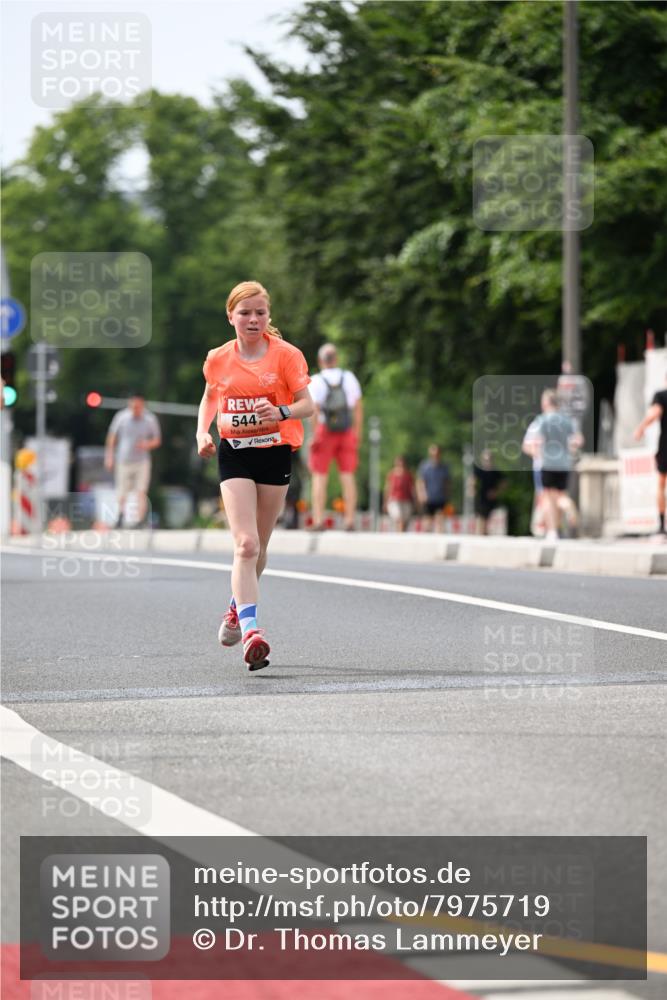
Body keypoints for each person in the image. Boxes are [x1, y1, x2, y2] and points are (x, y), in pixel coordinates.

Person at [196, 280, 313, 670]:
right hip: (235, 456)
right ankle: (251, 632)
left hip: (275, 452)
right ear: (231, 316)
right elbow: (212, 394)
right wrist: (202, 431)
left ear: (268, 316)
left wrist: (280, 413)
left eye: (260, 313)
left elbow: (307, 405)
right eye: (245, 313)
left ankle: (235, 607)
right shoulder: (218, 358)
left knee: (259, 548)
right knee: (245, 545)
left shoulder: (286, 356)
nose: (253, 319)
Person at [308, 343, 363, 531]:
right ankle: (349, 520)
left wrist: (315, 433)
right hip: (346, 431)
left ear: (320, 361)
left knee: (319, 476)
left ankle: (318, 520)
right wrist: (357, 432)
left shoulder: (316, 380)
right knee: (347, 476)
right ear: (337, 359)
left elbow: (313, 409)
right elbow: (357, 407)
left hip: (325, 431)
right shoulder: (349, 378)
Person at [522, 389, 583, 541]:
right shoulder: (567, 421)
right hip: (564, 463)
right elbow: (578, 440)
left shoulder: (541, 421)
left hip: (547, 463)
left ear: (545, 403)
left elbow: (530, 444)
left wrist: (537, 453)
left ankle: (552, 531)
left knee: (548, 497)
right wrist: (569, 450)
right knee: (560, 496)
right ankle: (568, 505)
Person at [104, 393, 161, 528]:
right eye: (133, 406)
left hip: (142, 461)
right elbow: (112, 437)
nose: (136, 409)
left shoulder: (150, 419)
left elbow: (157, 440)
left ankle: (140, 520)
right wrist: (109, 456)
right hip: (124, 460)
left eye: (138, 407)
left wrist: (147, 444)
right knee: (122, 490)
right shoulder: (121, 417)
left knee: (141, 491)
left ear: (143, 406)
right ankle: (120, 515)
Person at [634, 372, 667, 534]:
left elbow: (654, 413)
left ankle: (662, 524)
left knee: (661, 483)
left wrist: (641, 428)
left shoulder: (661, 396)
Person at [416, 444, 450, 532]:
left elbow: (446, 482)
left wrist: (447, 494)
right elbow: (420, 481)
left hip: (440, 497)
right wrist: (421, 494)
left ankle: (439, 538)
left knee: (440, 519)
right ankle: (426, 539)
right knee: (427, 520)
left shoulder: (444, 467)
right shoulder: (425, 466)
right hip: (428, 497)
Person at [472, 449, 505, 534]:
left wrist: (496, 492)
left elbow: (504, 483)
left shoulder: (495, 471)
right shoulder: (479, 470)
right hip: (480, 497)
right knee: (480, 517)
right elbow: (473, 480)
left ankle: (483, 534)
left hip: (490, 498)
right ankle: (480, 534)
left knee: (486, 518)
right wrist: (473, 488)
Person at [384, 455, 415, 532]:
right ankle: (399, 534)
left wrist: (415, 501)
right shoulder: (391, 474)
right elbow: (388, 488)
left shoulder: (408, 475)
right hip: (394, 500)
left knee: (405, 521)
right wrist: (385, 501)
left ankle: (401, 534)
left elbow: (412, 489)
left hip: (406, 500)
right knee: (399, 519)